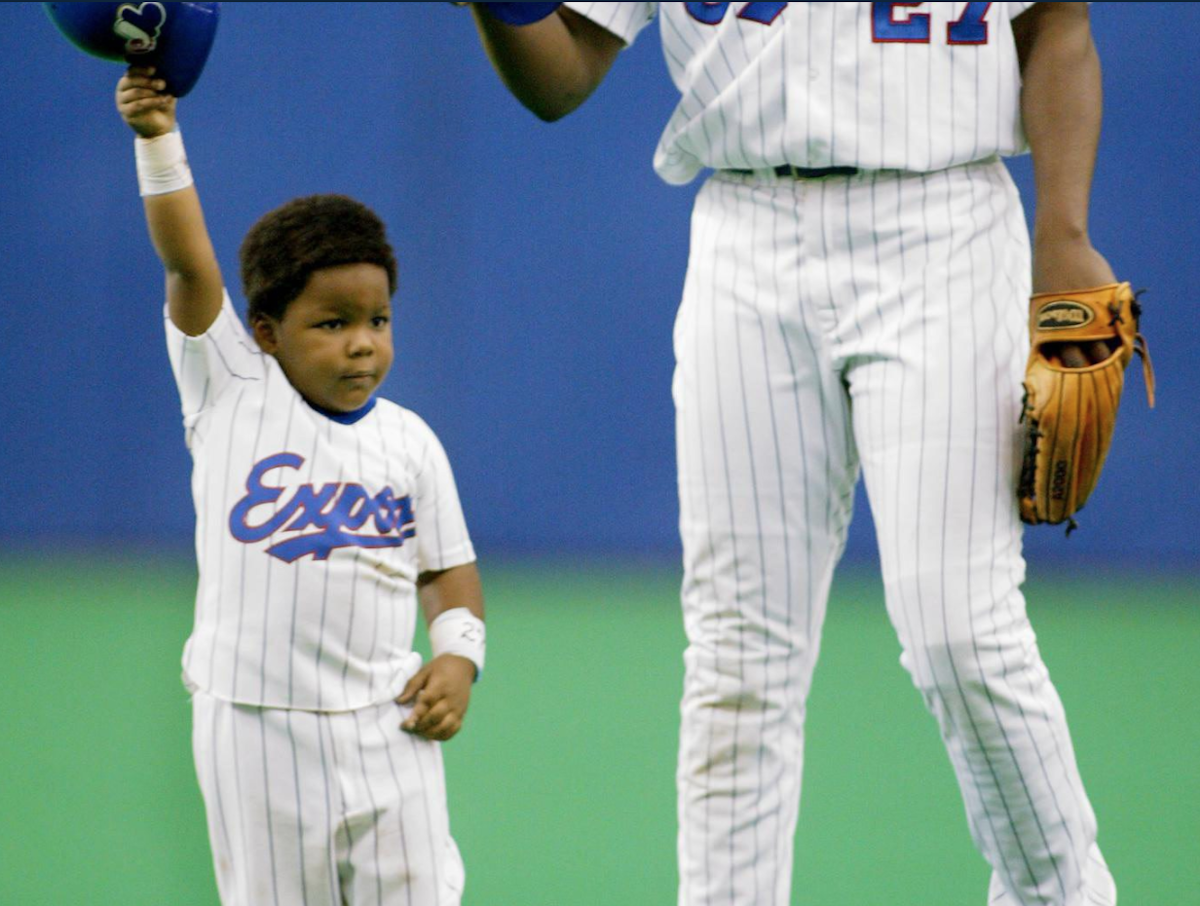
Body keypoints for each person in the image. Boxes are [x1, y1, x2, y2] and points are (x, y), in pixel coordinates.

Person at [463, 3, 1119, 904]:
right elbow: (563, 74)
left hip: (945, 222)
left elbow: (1057, 28)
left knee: (960, 628)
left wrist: (1065, 231)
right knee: (740, 654)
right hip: (746, 227)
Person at [115, 66, 485, 906]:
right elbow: (185, 259)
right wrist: (157, 138)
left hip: (390, 724)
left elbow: (448, 569)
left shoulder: (410, 442)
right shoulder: (229, 391)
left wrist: (461, 656)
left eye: (378, 320)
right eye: (333, 323)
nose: (362, 344)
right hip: (254, 730)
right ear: (266, 333)